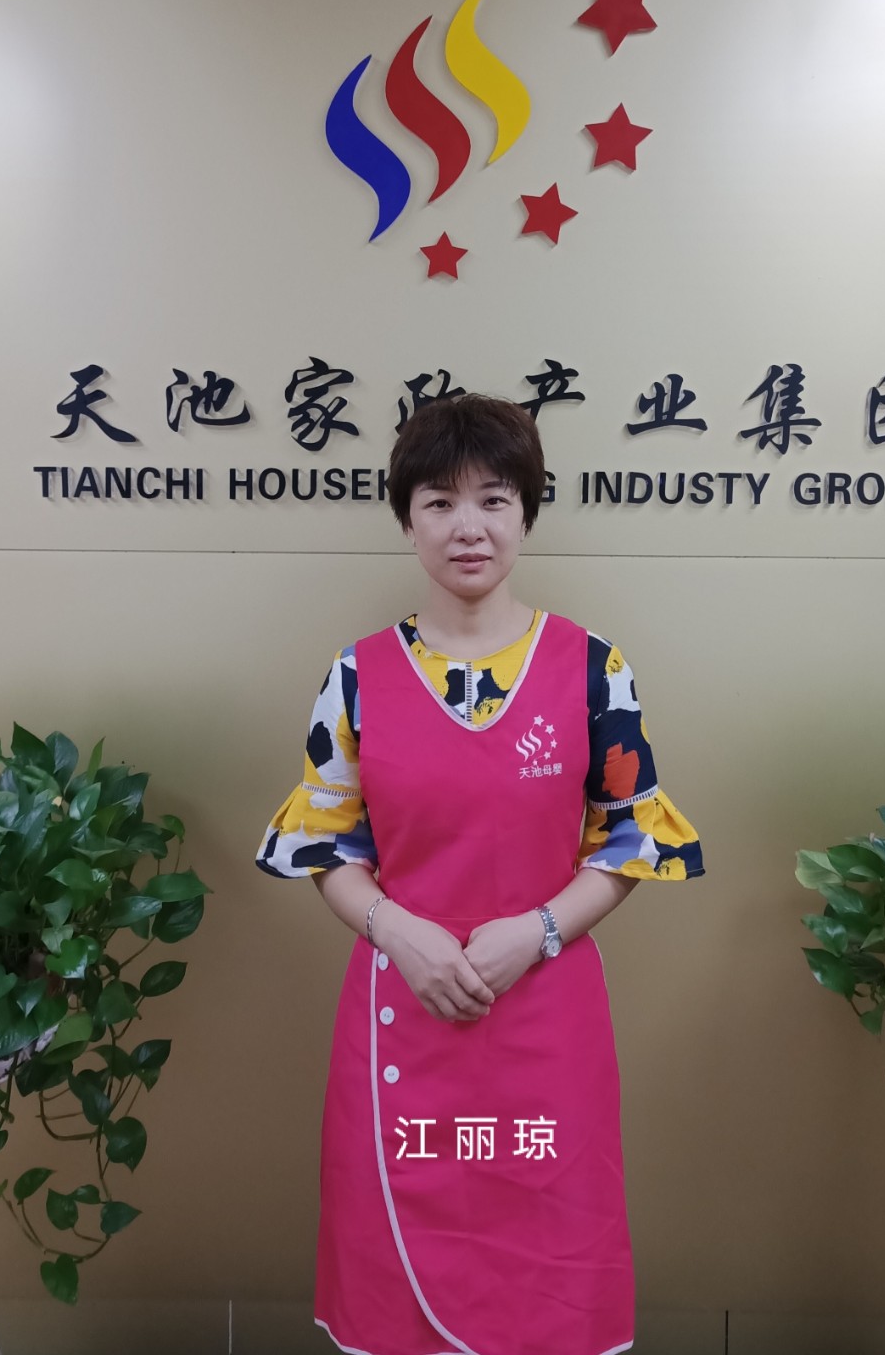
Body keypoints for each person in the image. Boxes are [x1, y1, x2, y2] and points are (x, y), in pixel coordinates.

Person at [256, 393, 704, 1355]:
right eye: (439, 502)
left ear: (527, 512)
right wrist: (396, 930)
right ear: (407, 521)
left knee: (550, 1270)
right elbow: (328, 846)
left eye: (494, 499)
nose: (469, 527)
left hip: (544, 1019)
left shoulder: (592, 670)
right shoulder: (357, 676)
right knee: (396, 1283)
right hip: (403, 1012)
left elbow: (630, 841)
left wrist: (537, 931)